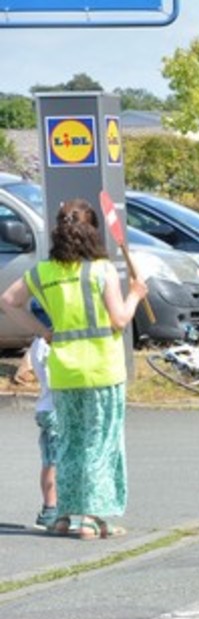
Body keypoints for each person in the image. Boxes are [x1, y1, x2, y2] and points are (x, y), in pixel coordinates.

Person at [0, 198, 149, 538]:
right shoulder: (101, 270)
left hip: (64, 370)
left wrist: (43, 332)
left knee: (69, 443)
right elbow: (119, 320)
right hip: (102, 369)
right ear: (92, 231)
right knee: (100, 443)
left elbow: (8, 301)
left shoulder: (44, 272)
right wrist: (136, 294)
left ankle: (65, 515)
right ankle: (92, 518)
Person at [28, 300, 59, 530]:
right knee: (56, 461)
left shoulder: (37, 344)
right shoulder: (50, 345)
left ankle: (49, 508)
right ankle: (52, 508)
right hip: (56, 408)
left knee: (49, 460)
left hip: (45, 407)